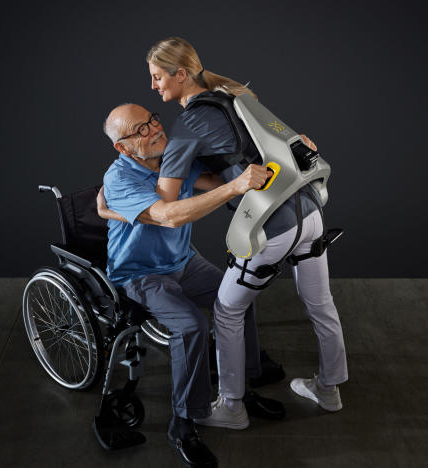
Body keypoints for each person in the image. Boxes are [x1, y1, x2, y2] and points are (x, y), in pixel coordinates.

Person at [144, 37, 349, 427]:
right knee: (321, 304)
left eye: (157, 77)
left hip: (270, 225)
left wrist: (158, 169)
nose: (154, 87)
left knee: (226, 311)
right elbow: (290, 144)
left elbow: (166, 202)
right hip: (309, 212)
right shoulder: (237, 96)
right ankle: (328, 389)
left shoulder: (188, 123)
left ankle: (232, 407)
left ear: (181, 74)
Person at [100, 103, 272, 468]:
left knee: (240, 295)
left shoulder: (172, 158)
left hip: (184, 262)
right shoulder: (119, 178)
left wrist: (272, 161)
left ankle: (240, 388)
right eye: (140, 130)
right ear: (123, 146)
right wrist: (236, 187)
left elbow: (222, 182)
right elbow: (170, 216)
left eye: (152, 120)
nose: (153, 130)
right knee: (193, 325)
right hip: (141, 273)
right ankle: (184, 422)